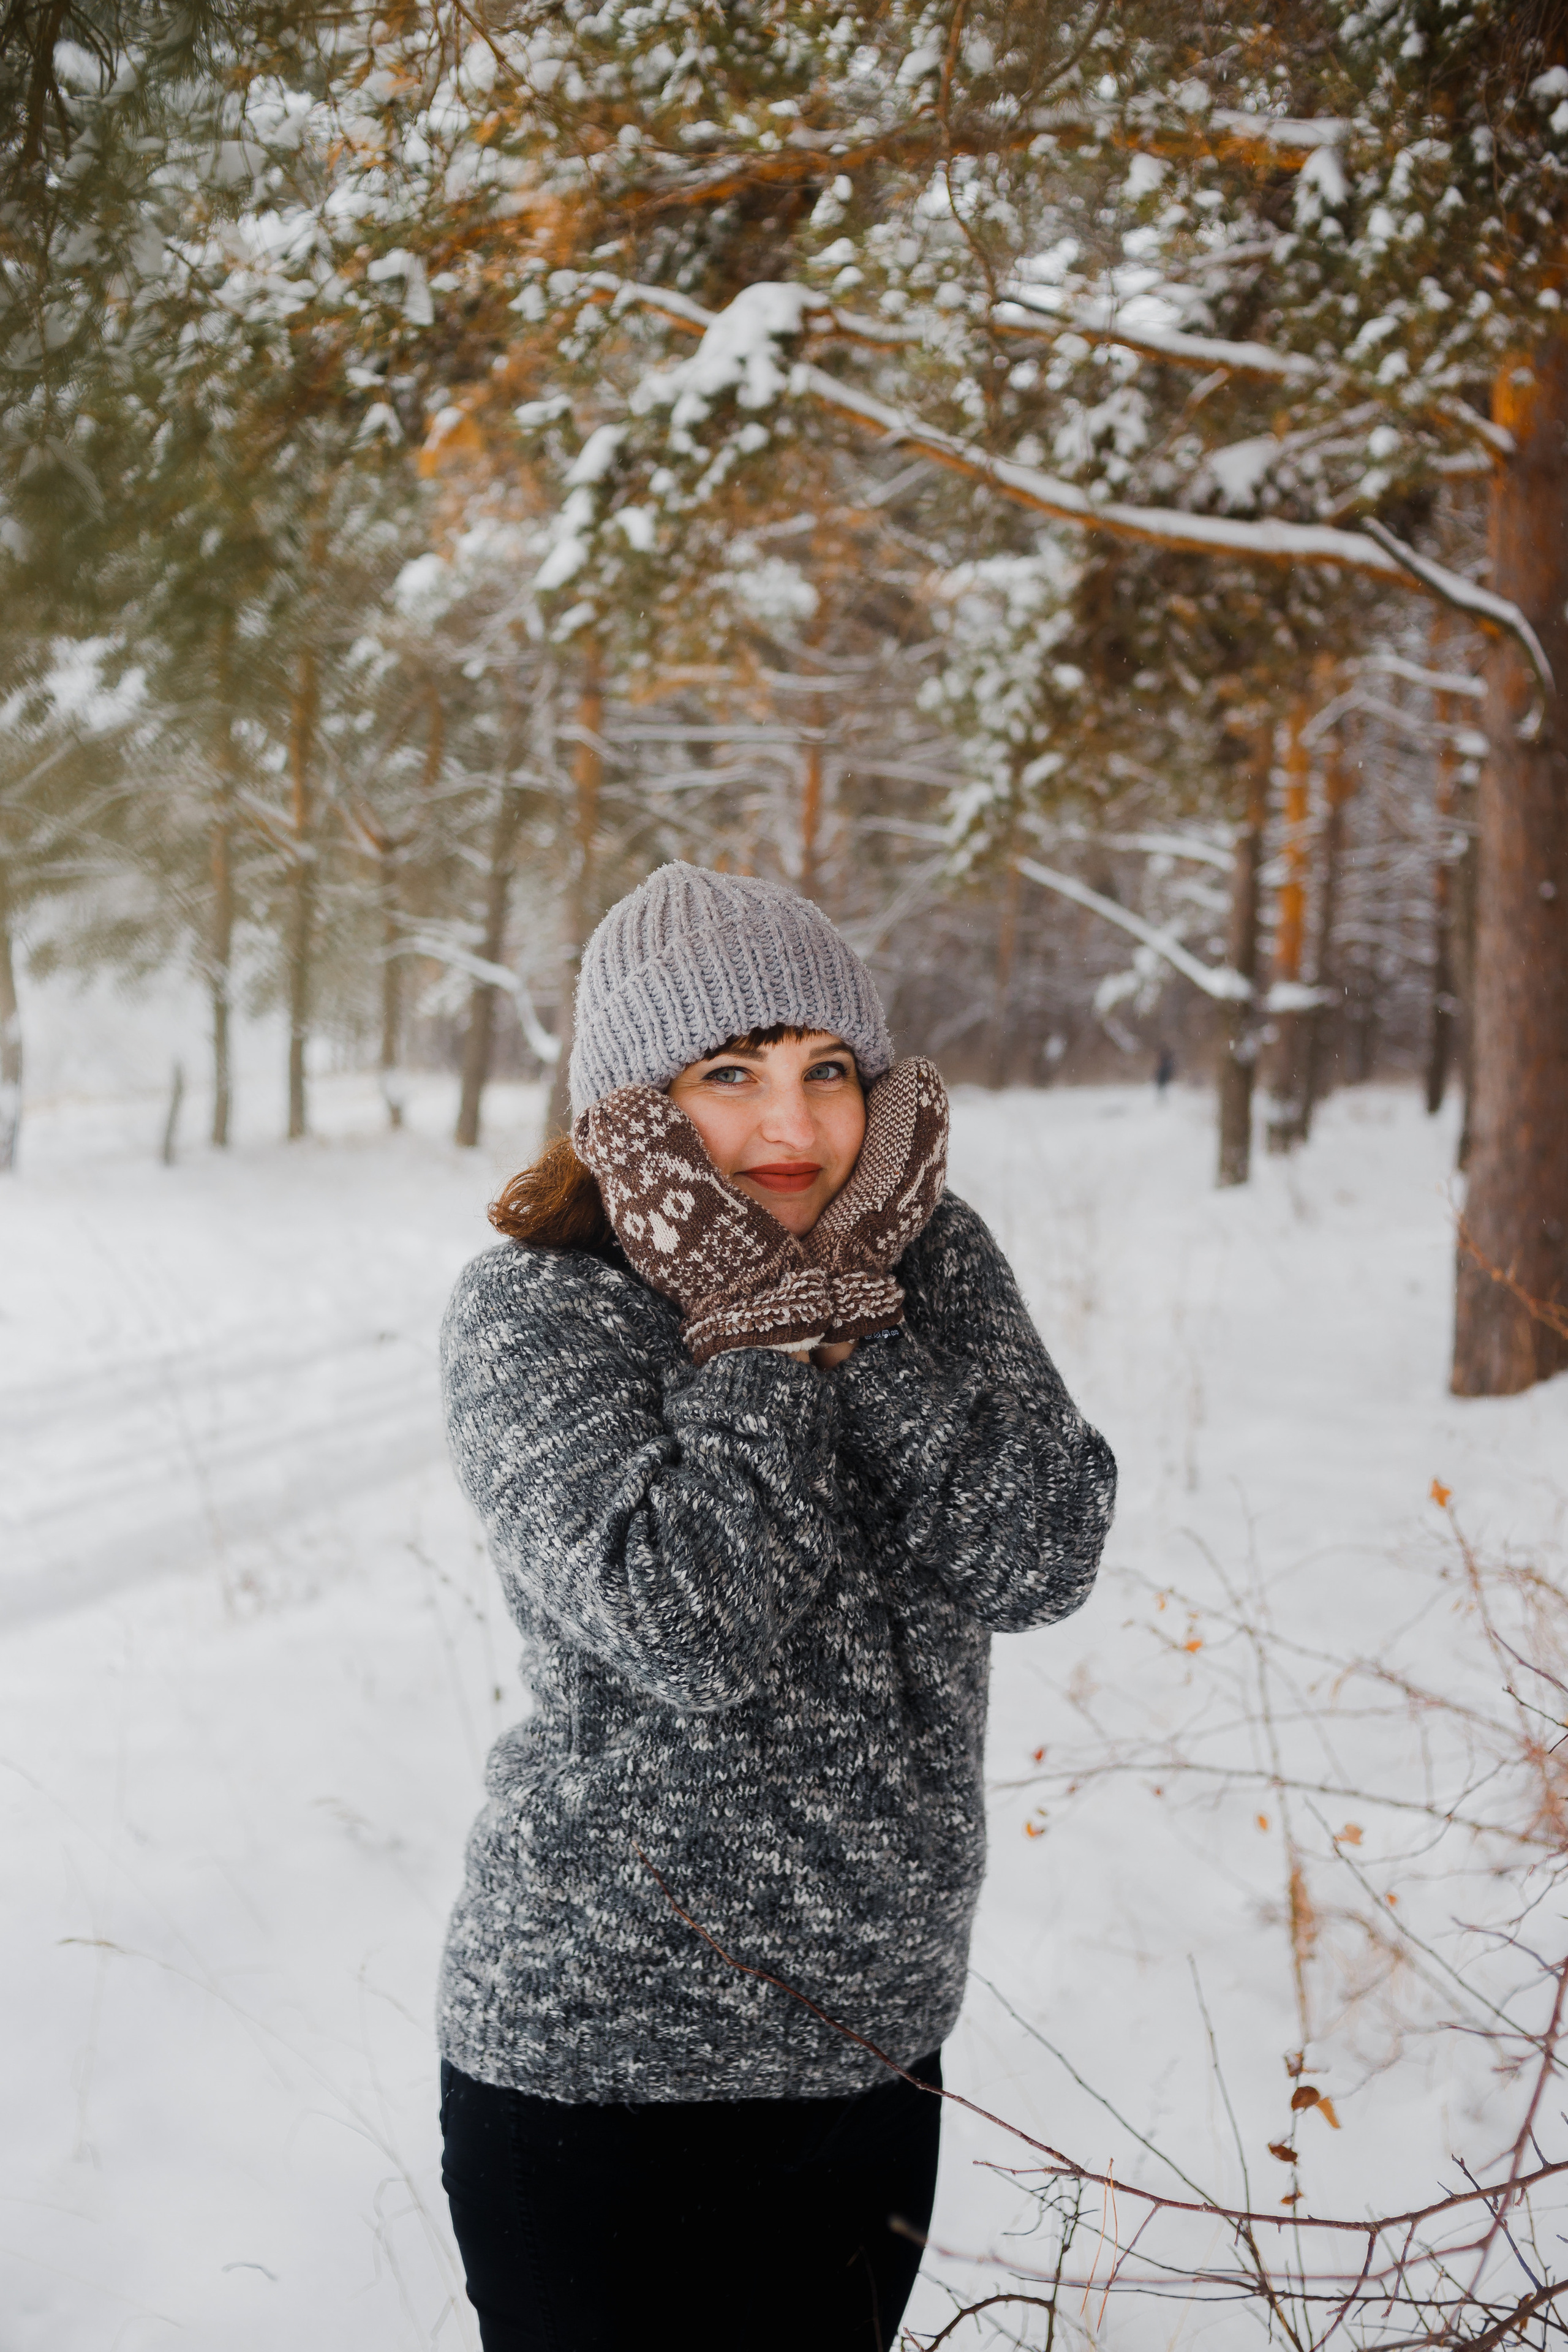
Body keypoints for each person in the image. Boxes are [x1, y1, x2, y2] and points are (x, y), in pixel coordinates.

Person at [435, 862, 1116, 2352]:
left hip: (871, 2046)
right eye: (727, 1075)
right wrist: (762, 1329)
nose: (792, 1126)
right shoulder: (541, 1308)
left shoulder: (935, 1270)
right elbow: (687, 1622)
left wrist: (856, 1317)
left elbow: (1042, 1553)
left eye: (827, 1072)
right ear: (629, 1113)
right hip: (596, 2063)